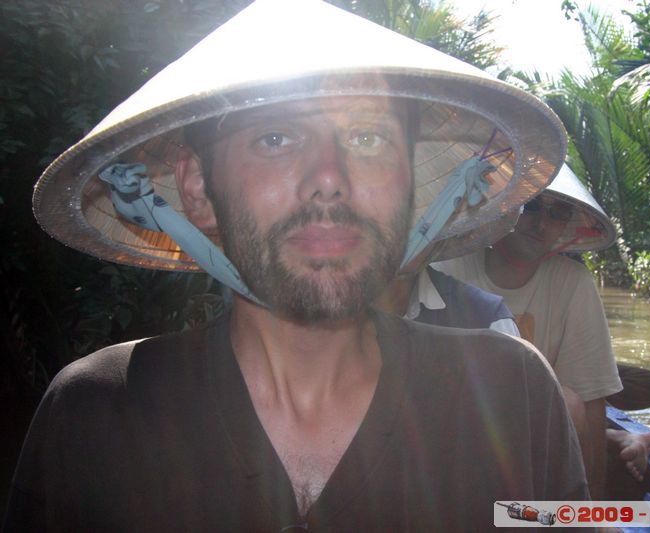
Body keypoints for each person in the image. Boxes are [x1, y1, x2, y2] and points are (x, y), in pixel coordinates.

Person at [4, 2, 589, 531]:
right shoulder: (94, 413)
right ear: (199, 190)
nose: (330, 179)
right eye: (276, 137)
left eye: (367, 137)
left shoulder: (512, 398)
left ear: (409, 188)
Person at [434, 165, 650, 498]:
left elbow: (589, 401)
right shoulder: (448, 265)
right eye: (531, 205)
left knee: (569, 402)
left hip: (536, 430)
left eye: (557, 213)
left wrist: (591, 516)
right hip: (453, 430)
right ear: (505, 206)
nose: (541, 223)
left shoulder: (572, 283)